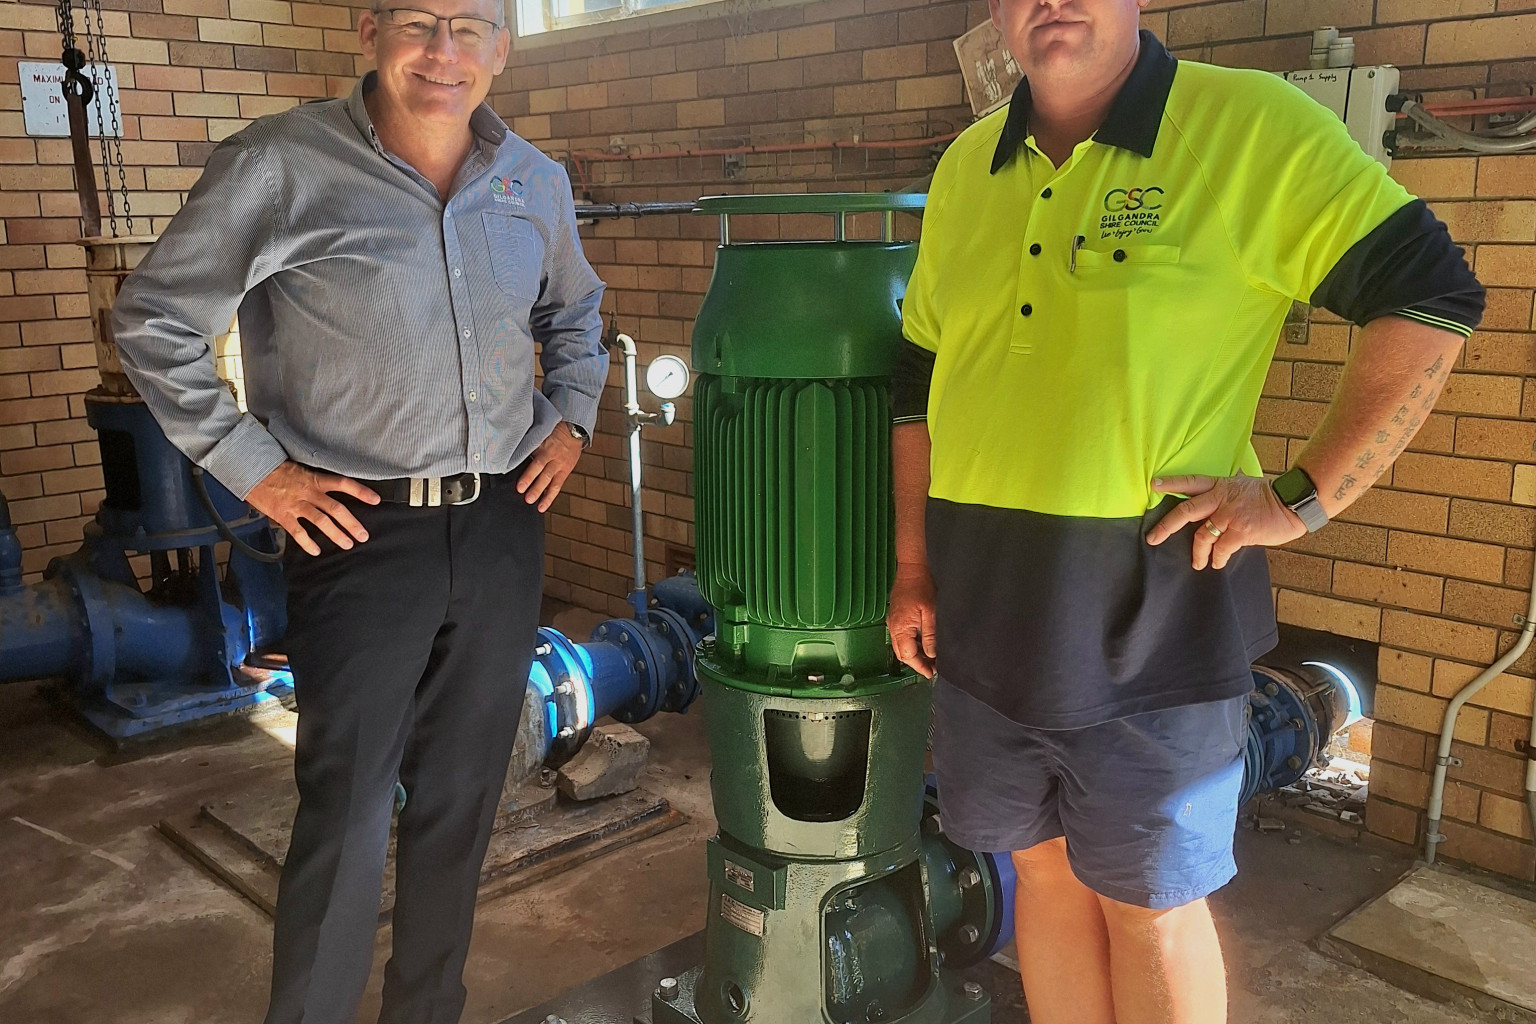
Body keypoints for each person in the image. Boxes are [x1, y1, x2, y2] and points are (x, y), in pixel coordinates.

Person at [886, 2, 1484, 1022]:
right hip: (983, 613)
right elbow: (920, 378)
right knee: (1045, 873)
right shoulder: (964, 167)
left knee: (1151, 904)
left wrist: (1302, 497)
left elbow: (1429, 294)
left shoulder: (1249, 128)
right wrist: (913, 567)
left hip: (1155, 611)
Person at [111, 2, 607, 1021]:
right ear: (371, 33)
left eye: (470, 27)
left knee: (466, 802)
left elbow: (577, 317)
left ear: (502, 50)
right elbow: (154, 321)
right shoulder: (278, 167)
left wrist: (575, 422)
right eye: (419, 21)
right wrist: (258, 470)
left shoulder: (533, 183)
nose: (444, 52)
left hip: (505, 519)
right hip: (358, 534)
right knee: (345, 812)